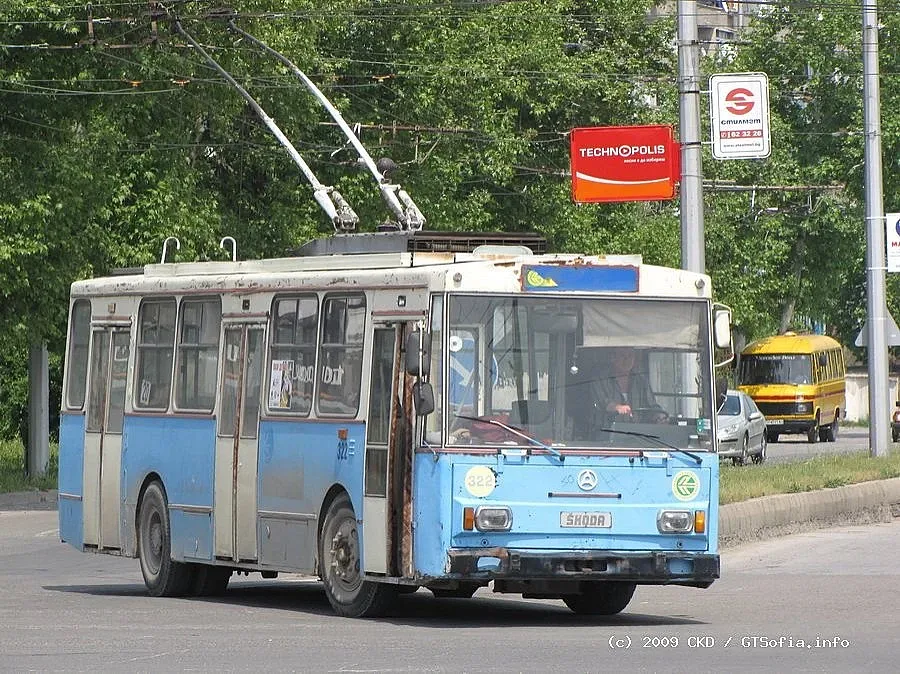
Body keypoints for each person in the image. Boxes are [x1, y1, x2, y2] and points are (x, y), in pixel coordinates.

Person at [591, 347, 666, 424]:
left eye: (630, 355)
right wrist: (617, 407)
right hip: (607, 432)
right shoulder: (601, 379)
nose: (627, 359)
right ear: (613, 358)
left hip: (639, 433)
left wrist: (659, 415)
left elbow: (652, 405)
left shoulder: (641, 381)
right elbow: (602, 402)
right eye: (622, 355)